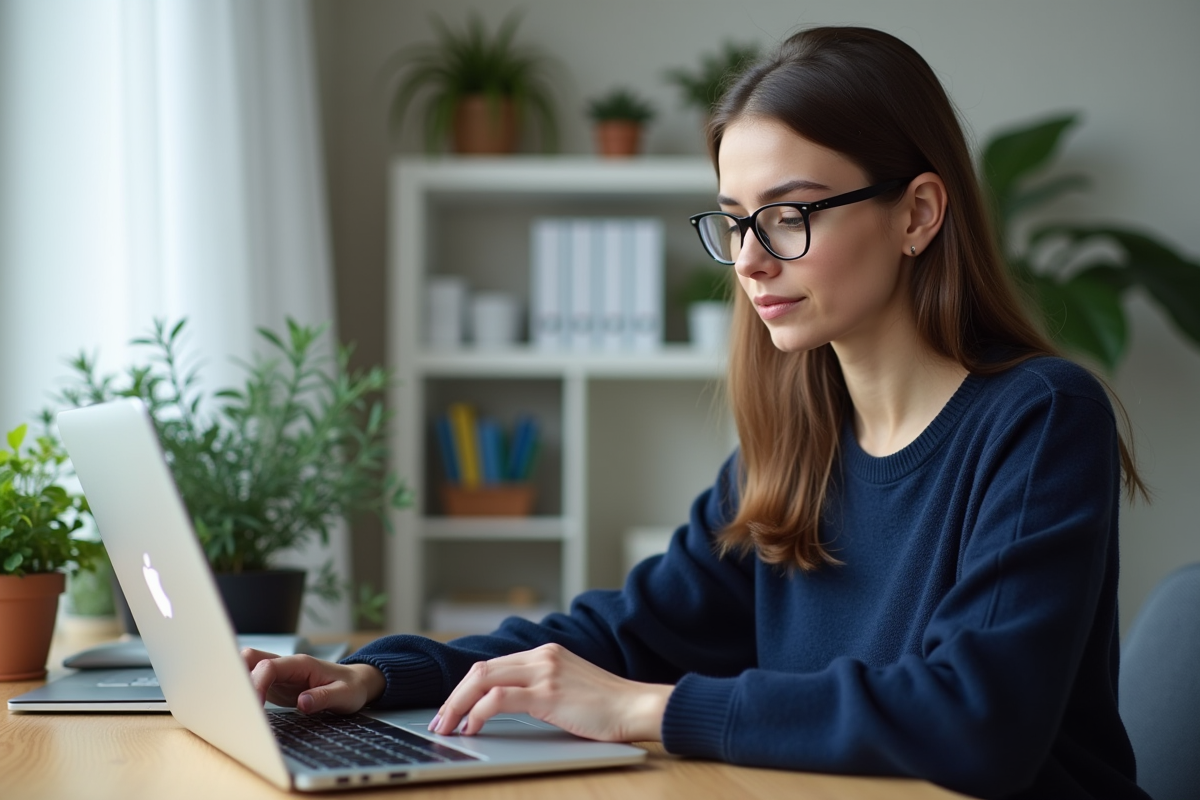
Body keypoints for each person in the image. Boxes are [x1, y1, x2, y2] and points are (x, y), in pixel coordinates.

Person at [244, 26, 1150, 799]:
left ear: (917, 214)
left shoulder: (1039, 420)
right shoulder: (800, 442)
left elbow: (977, 721)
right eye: (735, 221)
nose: (750, 260)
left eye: (789, 215)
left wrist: (646, 710)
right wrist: (382, 673)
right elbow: (626, 633)